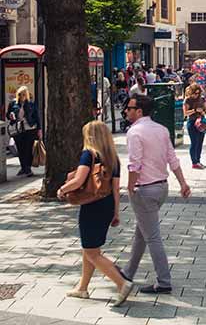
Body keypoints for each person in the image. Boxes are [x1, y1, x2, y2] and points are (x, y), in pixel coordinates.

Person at [120, 94, 191, 294]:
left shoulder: (134, 133)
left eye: (130, 108)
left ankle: (164, 280)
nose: (126, 111)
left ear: (139, 111)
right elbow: (172, 159)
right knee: (141, 232)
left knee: (152, 236)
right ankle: (128, 272)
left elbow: (135, 163)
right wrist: (183, 183)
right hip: (161, 188)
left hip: (144, 189)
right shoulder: (161, 130)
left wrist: (130, 186)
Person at [56, 120, 131, 306]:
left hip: (92, 206)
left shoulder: (88, 154)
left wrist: (62, 190)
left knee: (92, 252)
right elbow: (115, 188)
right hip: (106, 205)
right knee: (90, 248)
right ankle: (82, 288)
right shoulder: (113, 158)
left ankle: (121, 282)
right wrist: (116, 212)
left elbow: (79, 179)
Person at [6, 86, 41, 177]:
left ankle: (27, 168)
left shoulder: (31, 104)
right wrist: (11, 115)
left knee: (28, 149)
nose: (22, 96)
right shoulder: (13, 104)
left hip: (29, 129)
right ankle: (23, 167)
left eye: (24, 94)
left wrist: (39, 129)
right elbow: (7, 115)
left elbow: (37, 117)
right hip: (18, 130)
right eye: (20, 94)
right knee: (20, 149)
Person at [183, 83, 206, 169]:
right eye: (195, 93)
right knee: (194, 142)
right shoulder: (188, 100)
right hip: (192, 121)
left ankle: (198, 160)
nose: (196, 95)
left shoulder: (202, 99)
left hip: (201, 122)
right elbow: (185, 113)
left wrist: (203, 112)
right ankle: (194, 161)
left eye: (198, 93)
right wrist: (194, 110)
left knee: (200, 142)